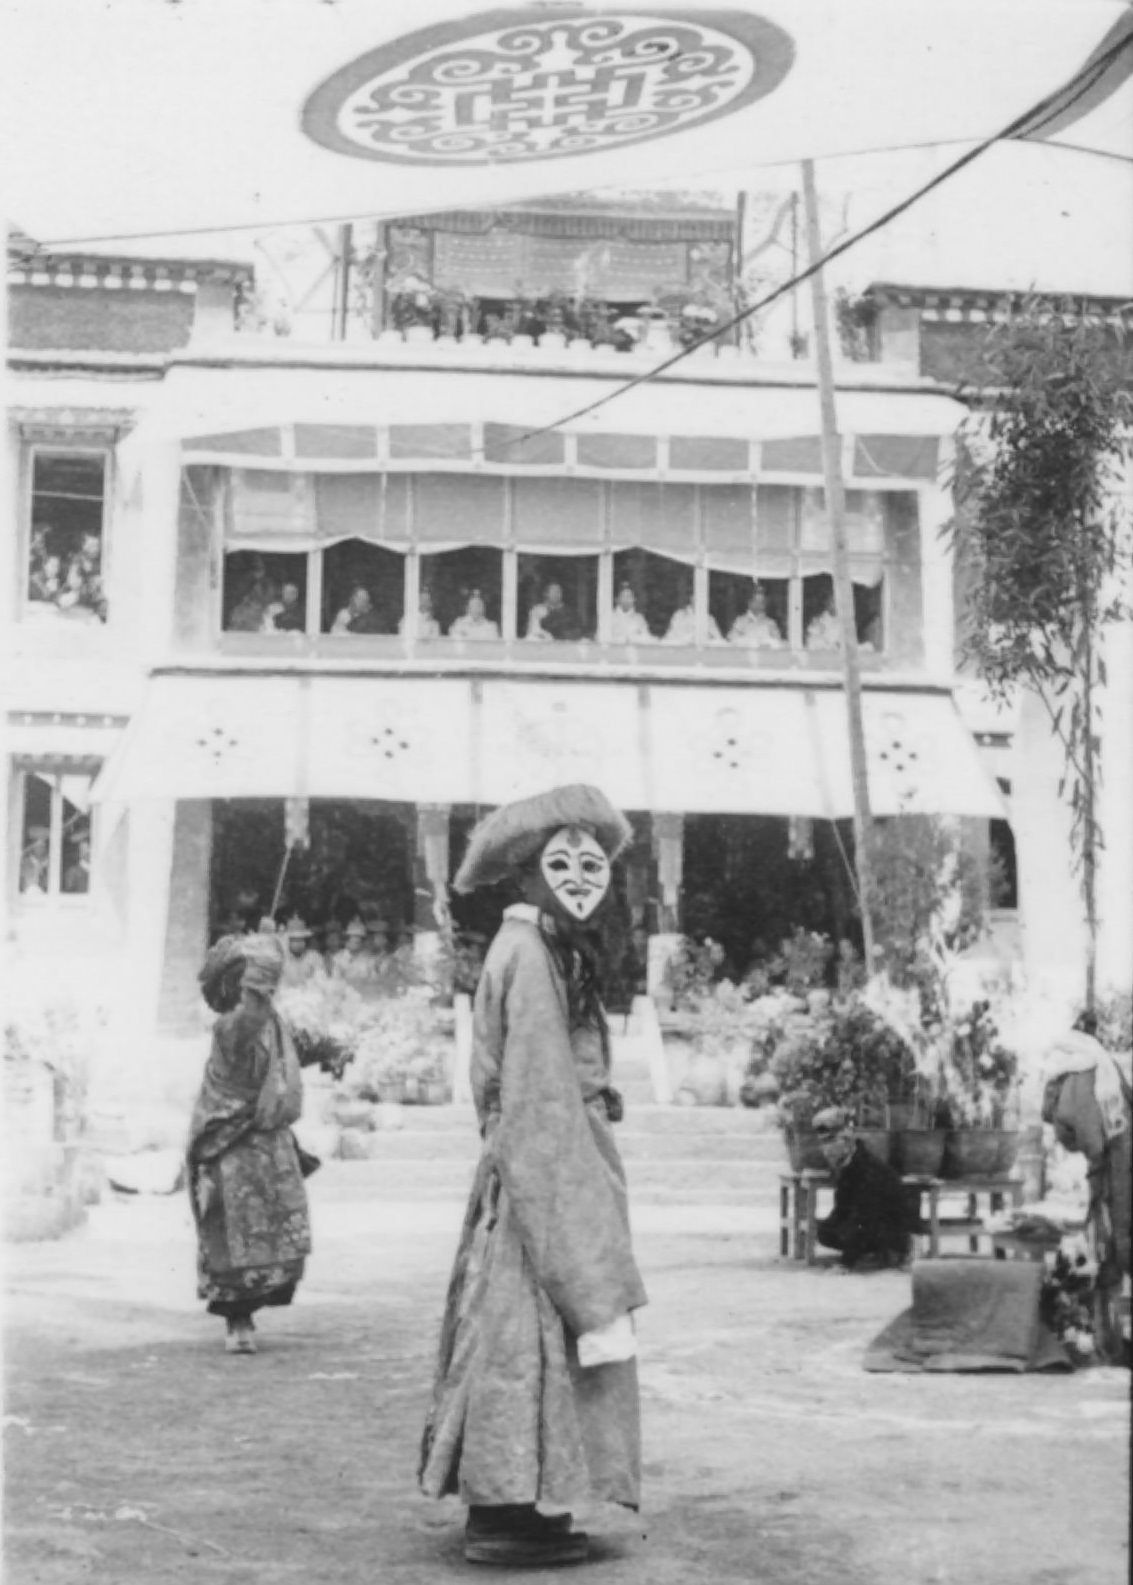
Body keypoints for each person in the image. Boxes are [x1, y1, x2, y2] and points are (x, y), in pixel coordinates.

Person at [419, 784, 646, 1567]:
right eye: (562, 863)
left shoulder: (539, 949)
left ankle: (526, 1506)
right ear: (524, 876)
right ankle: (506, 1514)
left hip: (546, 1166)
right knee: (528, 1342)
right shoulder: (527, 953)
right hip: (540, 1182)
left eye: (592, 863)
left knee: (530, 1348)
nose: (581, 877)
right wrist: (575, 1218)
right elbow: (536, 1095)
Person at [187, 933, 313, 1355]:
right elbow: (254, 1011)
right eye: (250, 983)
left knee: (271, 1231)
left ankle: (250, 1312)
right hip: (230, 1143)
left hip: (265, 1138)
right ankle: (237, 1320)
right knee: (233, 1230)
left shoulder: (268, 1022)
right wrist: (265, 952)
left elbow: (288, 1046)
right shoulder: (232, 1026)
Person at [812, 1108, 922, 1270]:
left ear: (847, 1141)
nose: (827, 1150)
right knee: (826, 1231)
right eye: (824, 1143)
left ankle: (893, 1251)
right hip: (867, 1222)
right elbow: (842, 1209)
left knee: (860, 1225)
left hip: (887, 1226)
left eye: (831, 1142)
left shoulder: (867, 1169)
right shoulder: (847, 1167)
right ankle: (866, 1252)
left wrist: (845, 1263)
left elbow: (862, 1217)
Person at [728, 584, 784, 649]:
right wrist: (750, 642)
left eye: (762, 602)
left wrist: (768, 643)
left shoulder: (770, 623)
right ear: (750, 603)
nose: (761, 605)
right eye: (757, 601)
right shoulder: (740, 621)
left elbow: (778, 642)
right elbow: (732, 640)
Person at [279, 916, 326, 989]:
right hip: (286, 997)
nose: (299, 944)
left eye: (301, 940)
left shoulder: (315, 957)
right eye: (295, 940)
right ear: (288, 941)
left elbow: (321, 981)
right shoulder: (281, 959)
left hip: (310, 995)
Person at [332, 917, 377, 985]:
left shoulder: (369, 959)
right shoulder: (337, 958)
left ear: (362, 942)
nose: (355, 943)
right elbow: (335, 979)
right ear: (346, 942)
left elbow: (374, 979)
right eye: (352, 940)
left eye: (358, 941)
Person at [19, 826, 50, 893]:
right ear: (32, 846)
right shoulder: (24, 863)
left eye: (43, 846)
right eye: (38, 845)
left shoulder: (51, 864)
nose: (40, 848)